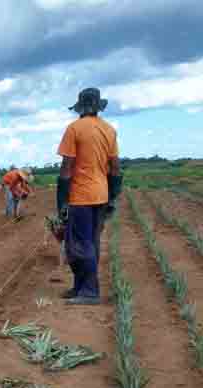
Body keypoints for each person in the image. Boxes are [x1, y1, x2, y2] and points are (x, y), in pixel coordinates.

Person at [56, 88, 122, 305]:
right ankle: (79, 287)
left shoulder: (74, 128)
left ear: (80, 107)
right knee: (91, 242)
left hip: (80, 196)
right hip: (101, 195)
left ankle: (89, 292)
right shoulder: (109, 130)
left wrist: (62, 201)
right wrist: (113, 196)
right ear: (98, 106)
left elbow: (66, 168)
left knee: (78, 245)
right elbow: (115, 167)